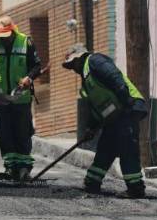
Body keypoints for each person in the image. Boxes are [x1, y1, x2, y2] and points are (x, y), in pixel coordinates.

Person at [62, 44, 148, 199]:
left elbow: (116, 79)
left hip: (128, 107)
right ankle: (92, 183)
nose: (72, 68)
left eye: (72, 63)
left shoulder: (95, 61)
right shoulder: (87, 81)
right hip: (114, 115)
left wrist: (126, 103)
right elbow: (96, 108)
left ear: (80, 58)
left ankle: (135, 188)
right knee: (106, 147)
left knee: (127, 147)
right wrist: (91, 128)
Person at [0, 15, 42, 182]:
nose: (3, 39)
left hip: (21, 98)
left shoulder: (26, 42)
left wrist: (29, 78)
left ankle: (24, 168)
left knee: (22, 133)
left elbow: (37, 65)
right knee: (5, 133)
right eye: (0, 36)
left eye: (6, 35)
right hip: (0, 97)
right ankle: (11, 168)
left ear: (13, 31)